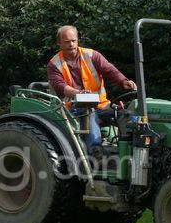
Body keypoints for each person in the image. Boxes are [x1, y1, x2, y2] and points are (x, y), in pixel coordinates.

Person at [47, 25, 137, 154]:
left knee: (125, 114)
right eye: (67, 42)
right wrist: (78, 93)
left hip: (102, 105)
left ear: (78, 40)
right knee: (88, 110)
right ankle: (95, 152)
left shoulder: (91, 55)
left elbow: (109, 70)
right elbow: (59, 85)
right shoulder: (54, 64)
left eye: (73, 40)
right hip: (71, 108)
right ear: (59, 43)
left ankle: (129, 151)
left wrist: (124, 81)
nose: (71, 44)